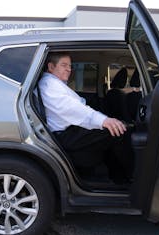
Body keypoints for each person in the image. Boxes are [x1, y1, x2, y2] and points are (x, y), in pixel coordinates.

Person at [38, 52, 133, 183]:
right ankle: (128, 178)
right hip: (65, 135)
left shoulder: (55, 83)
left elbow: (77, 105)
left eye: (70, 66)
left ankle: (115, 176)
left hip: (71, 130)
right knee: (119, 131)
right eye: (64, 65)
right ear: (51, 67)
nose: (69, 69)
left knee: (114, 129)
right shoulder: (49, 84)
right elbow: (72, 109)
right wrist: (103, 120)